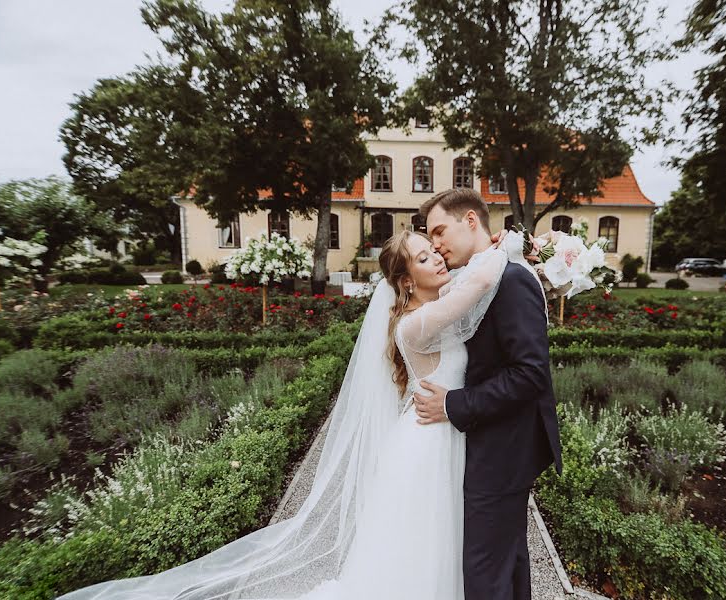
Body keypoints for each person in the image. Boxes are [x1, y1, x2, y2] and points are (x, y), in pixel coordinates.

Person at [56, 207, 533, 600]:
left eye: (435, 250)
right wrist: (507, 250)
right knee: (425, 543)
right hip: (427, 442)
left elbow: (470, 299)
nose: (437, 260)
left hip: (444, 433)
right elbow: (473, 289)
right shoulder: (416, 322)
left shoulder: (433, 301)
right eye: (425, 257)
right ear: (405, 281)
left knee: (444, 542)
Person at [413, 188, 563, 600]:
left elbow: (530, 373)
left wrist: (452, 404)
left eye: (440, 231)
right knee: (506, 559)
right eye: (430, 238)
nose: (436, 244)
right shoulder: (483, 273)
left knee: (483, 569)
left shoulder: (511, 278)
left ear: (472, 221)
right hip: (494, 440)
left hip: (503, 446)